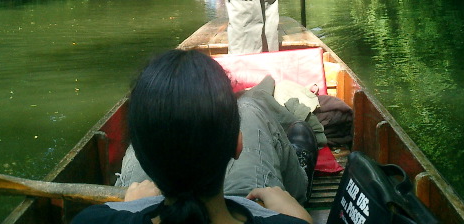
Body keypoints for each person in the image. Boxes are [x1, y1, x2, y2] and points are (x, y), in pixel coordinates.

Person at [72, 49, 317, 224]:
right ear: (237, 144)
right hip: (245, 197)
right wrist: (301, 218)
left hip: (142, 202)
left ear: (139, 157)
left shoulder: (92, 220)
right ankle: (300, 160)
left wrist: (129, 210)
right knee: (250, 106)